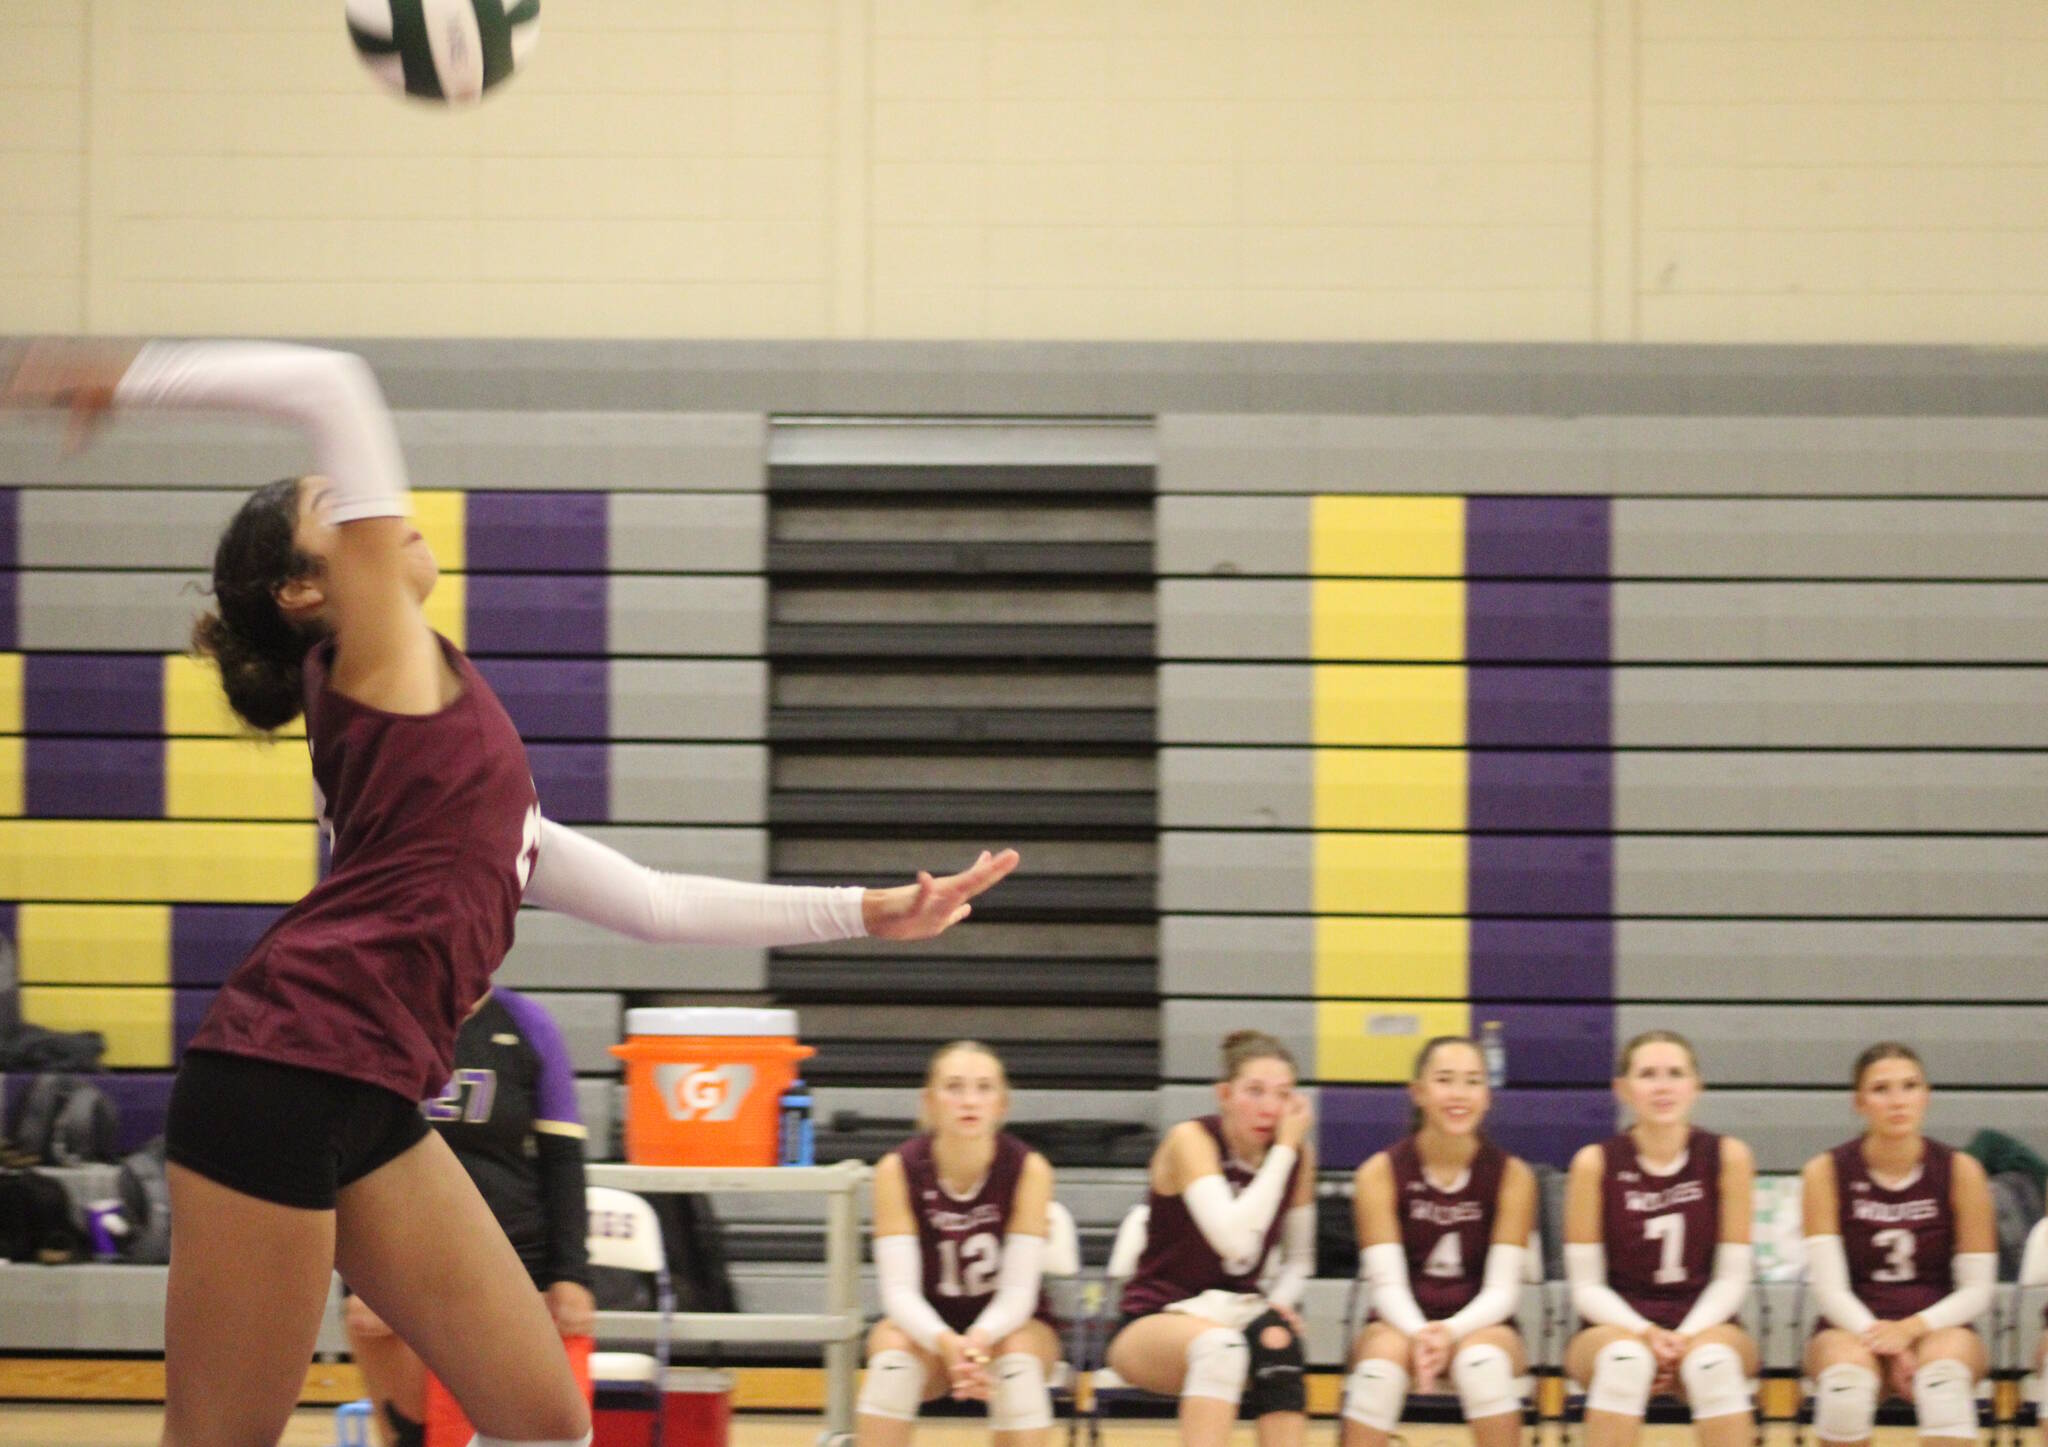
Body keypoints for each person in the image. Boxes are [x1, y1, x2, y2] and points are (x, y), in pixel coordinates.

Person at [2, 337, 1020, 1447]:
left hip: (372, 1098)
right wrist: (127, 377)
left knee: (543, 1419)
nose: (379, 509)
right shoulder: (376, 659)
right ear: (309, 588)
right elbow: (328, 384)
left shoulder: (439, 734)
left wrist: (868, 910)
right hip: (277, 1079)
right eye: (337, 507)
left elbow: (655, 904)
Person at [346, 987, 597, 1447]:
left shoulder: (527, 1024)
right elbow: (352, 1156)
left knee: (531, 1432)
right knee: (411, 1434)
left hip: (515, 1265)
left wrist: (570, 1275)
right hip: (403, 1265)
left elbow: (563, 1161)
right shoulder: (381, 1020)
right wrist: (361, 1280)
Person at [1105, 1029, 1316, 1447]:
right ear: (1224, 1094)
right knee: (1221, 1348)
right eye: (1254, 1091)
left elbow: (1300, 1260)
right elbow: (1235, 1243)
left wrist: (1278, 1303)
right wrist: (1283, 1152)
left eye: (1282, 1095)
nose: (1270, 1108)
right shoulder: (1191, 1140)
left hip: (1237, 1310)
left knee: (1280, 1344)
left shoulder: (1297, 1157)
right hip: (1157, 1317)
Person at [856, 1041, 1062, 1447]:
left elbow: (1018, 1293)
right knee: (893, 1364)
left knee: (1018, 1367)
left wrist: (979, 1339)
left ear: (1002, 1104)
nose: (970, 1101)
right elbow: (898, 1292)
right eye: (954, 1087)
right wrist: (946, 1342)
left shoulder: (1029, 1168)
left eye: (984, 1088)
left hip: (1009, 1323)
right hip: (925, 1326)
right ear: (929, 1102)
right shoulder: (897, 1169)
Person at [1563, 1031, 1758, 1447]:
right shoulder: (1594, 1163)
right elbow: (1586, 1287)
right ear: (1623, 1089)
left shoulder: (1728, 1157)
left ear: (1696, 1086)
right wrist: (1646, 1332)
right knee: (1625, 1362)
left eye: (1675, 1074)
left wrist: (1683, 1337)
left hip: (1708, 1322)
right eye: (1648, 1074)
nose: (1662, 1086)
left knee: (1712, 1365)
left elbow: (1732, 1278)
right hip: (1614, 1325)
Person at [1342, 1036, 1536, 1447]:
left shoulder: (1512, 1176)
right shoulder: (1379, 1172)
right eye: (1445, 1080)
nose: (1459, 1094)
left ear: (1487, 1096)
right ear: (1418, 1092)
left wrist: (1448, 1332)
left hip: (1484, 1323)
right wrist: (1421, 1333)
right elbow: (1387, 1285)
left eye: (1473, 1081)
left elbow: (1502, 1291)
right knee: (1378, 1374)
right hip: (1397, 1321)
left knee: (1483, 1365)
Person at [1800, 1042, 1996, 1447]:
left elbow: (1977, 1290)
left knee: (1944, 1385)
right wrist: (1885, 1341)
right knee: (1845, 1391)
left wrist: (1909, 1331)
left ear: (1926, 1096)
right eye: (1881, 1089)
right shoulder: (1825, 1171)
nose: (1897, 1100)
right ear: (1859, 1102)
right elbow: (1829, 1290)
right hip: (1851, 1325)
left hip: (1939, 1324)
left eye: (1910, 1086)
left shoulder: (1960, 1170)